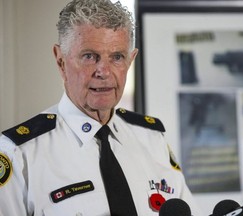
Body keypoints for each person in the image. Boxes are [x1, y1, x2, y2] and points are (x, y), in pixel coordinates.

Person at [0, 0, 202, 215]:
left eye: (117, 57)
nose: (103, 72)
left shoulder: (152, 140)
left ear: (130, 60)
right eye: (89, 56)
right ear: (61, 61)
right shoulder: (19, 155)